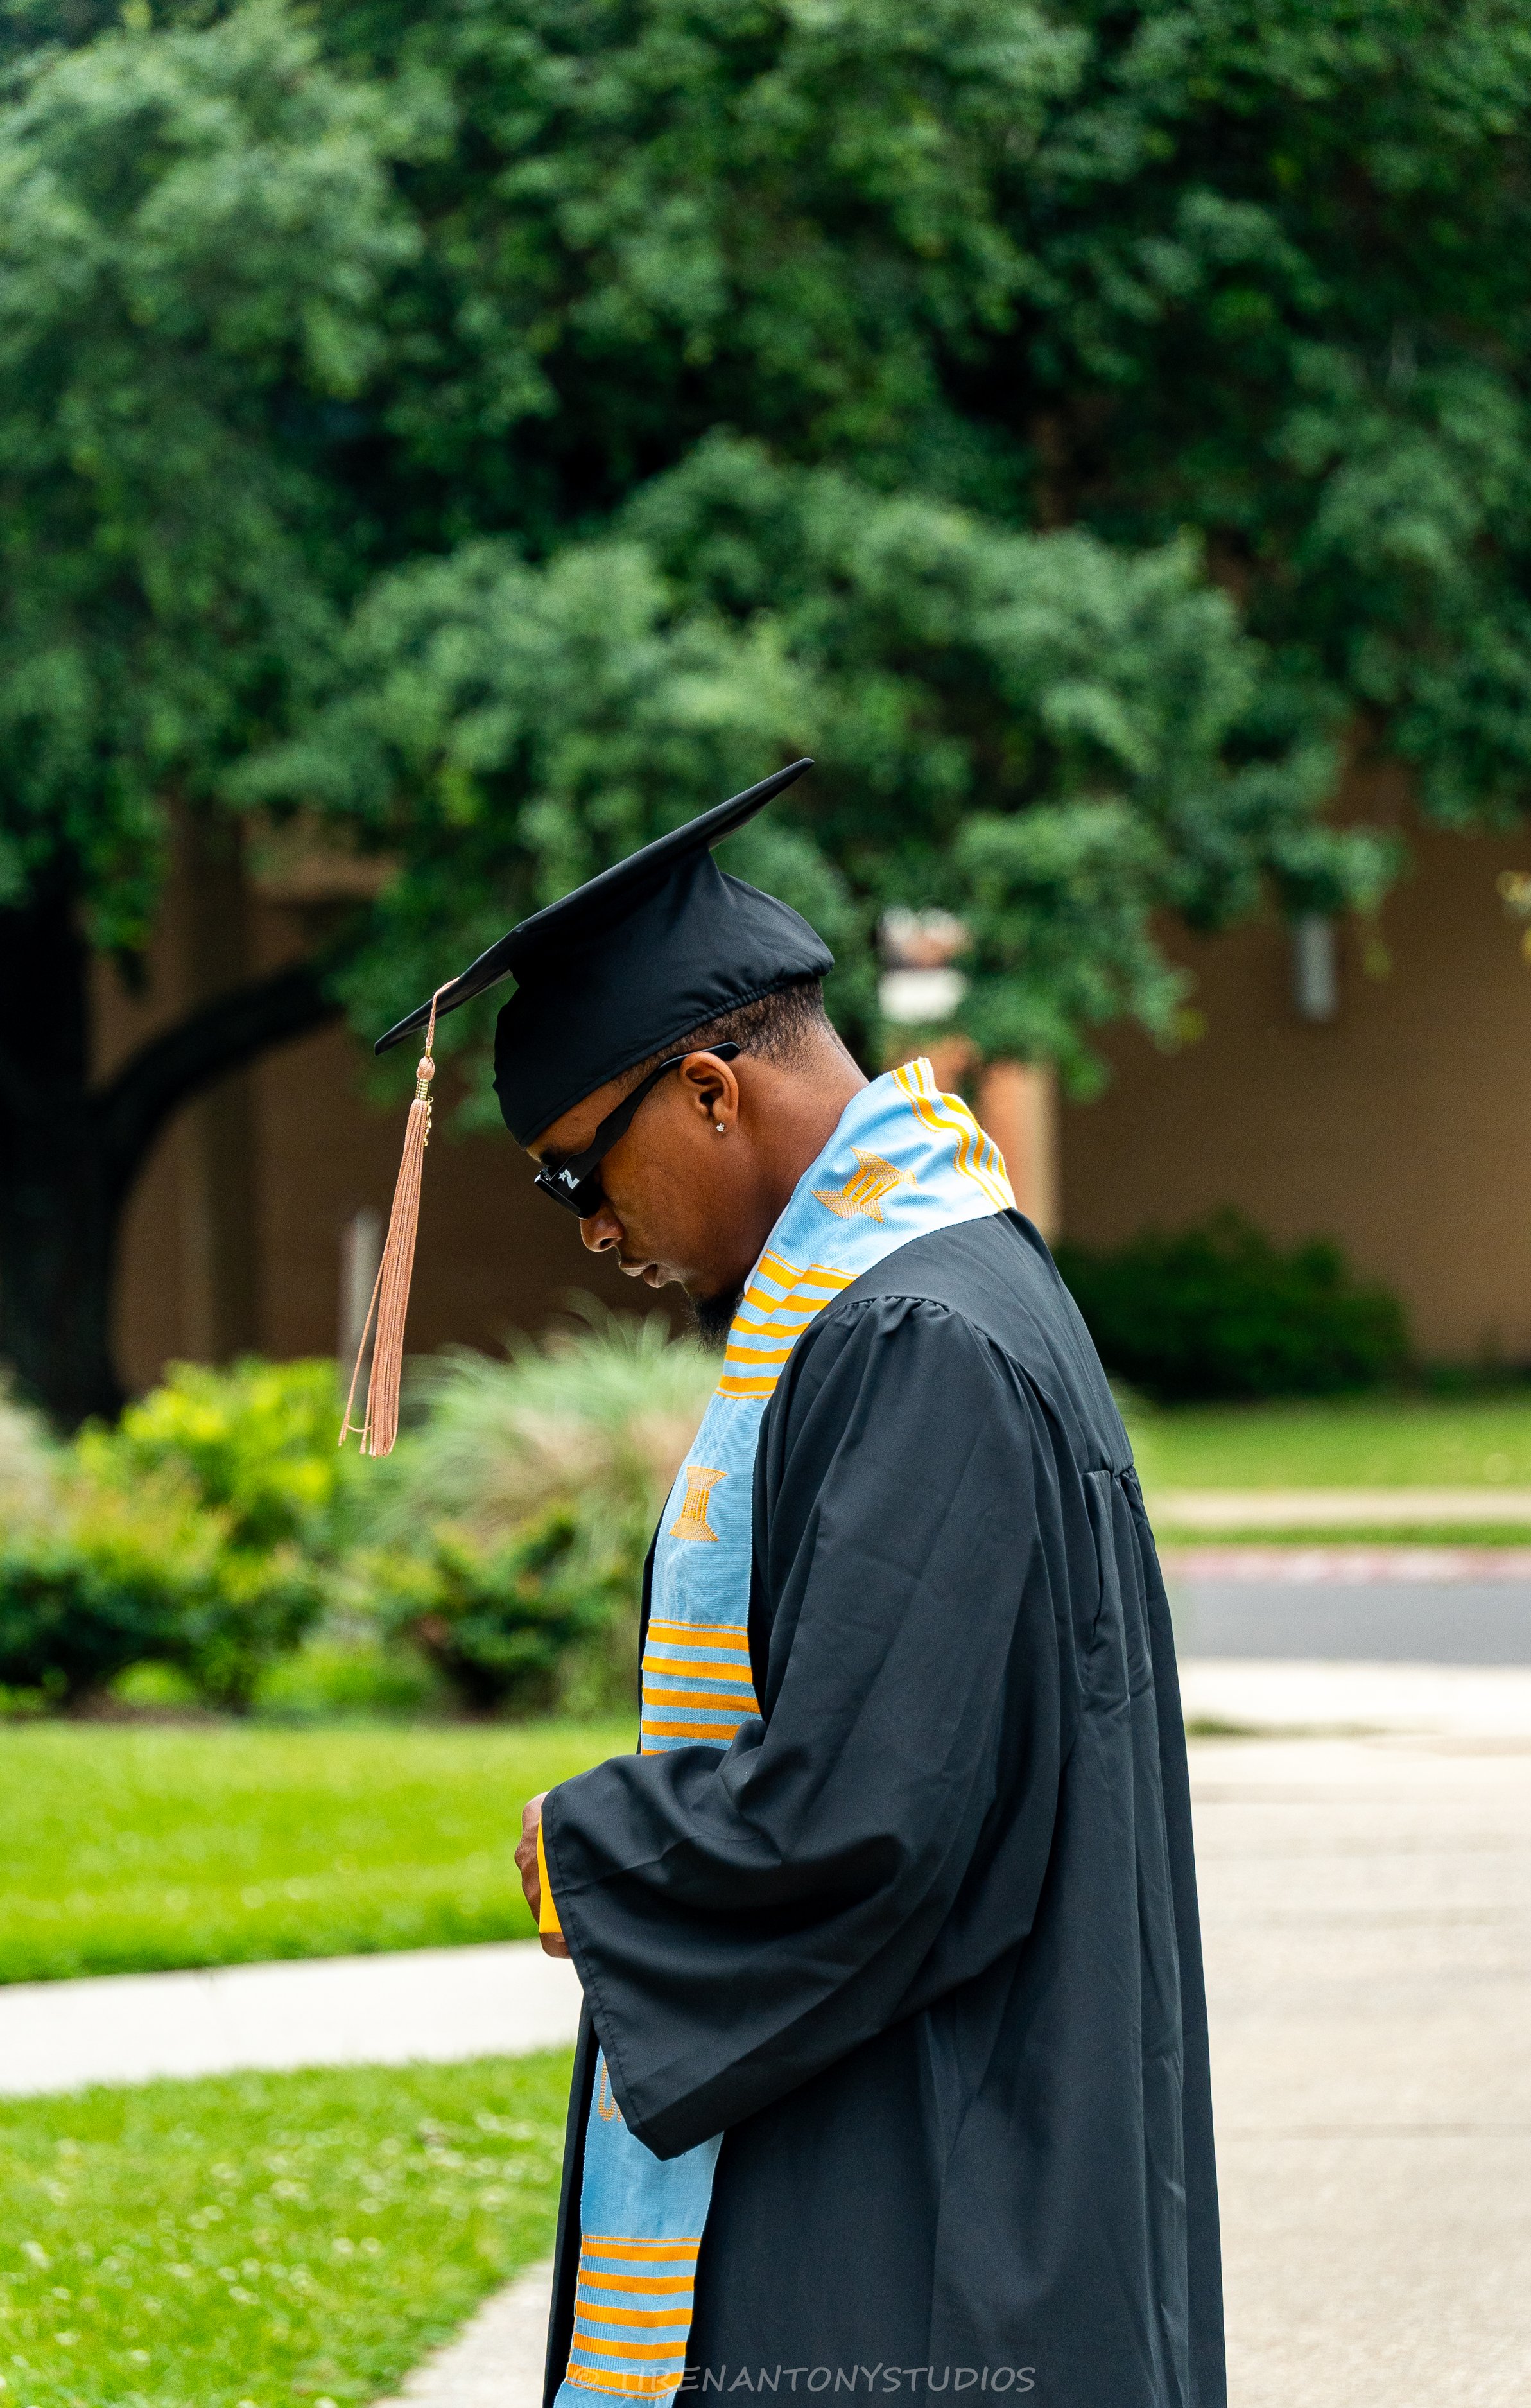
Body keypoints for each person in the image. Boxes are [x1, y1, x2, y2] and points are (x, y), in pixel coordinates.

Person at [374, 762, 1225, 2408]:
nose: (586, 1231)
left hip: (922, 2203)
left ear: (706, 1089)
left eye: (576, 1171)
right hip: (951, 2124)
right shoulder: (952, 1277)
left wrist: (592, 1849)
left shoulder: (907, 1333)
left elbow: (869, 1810)